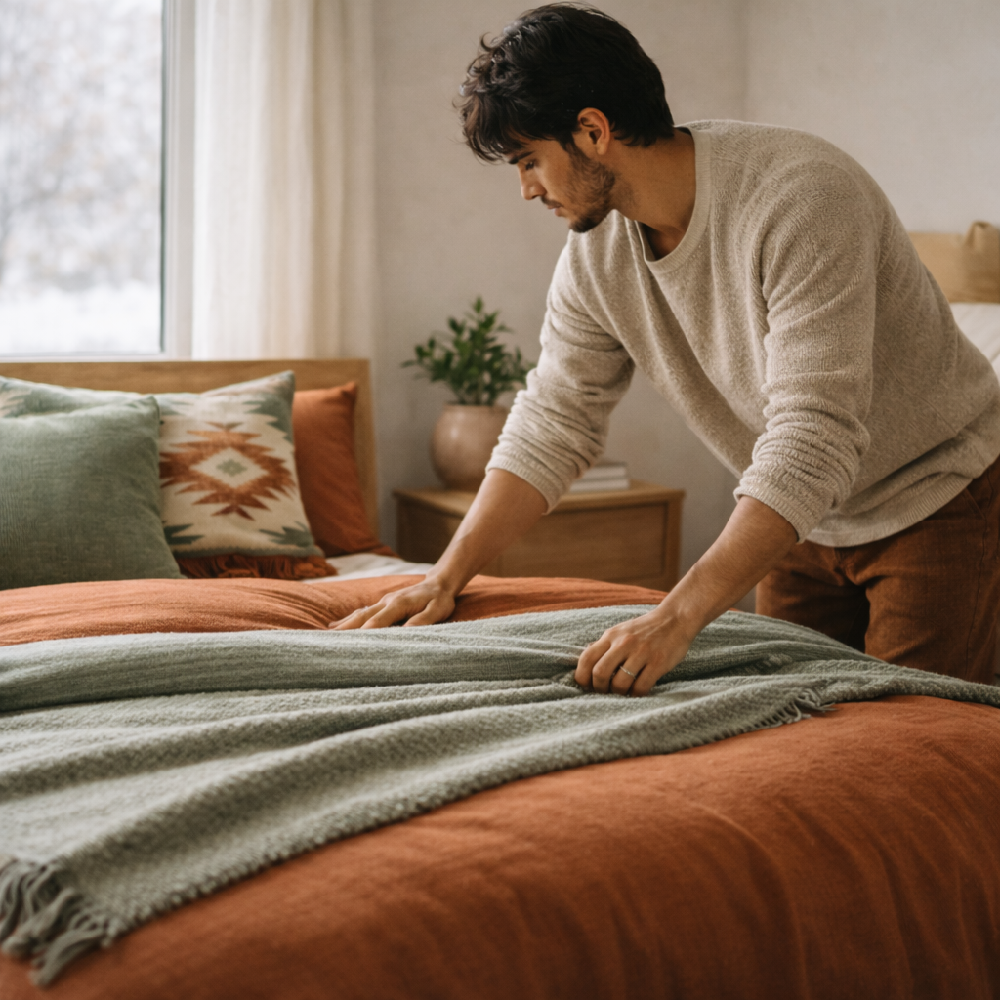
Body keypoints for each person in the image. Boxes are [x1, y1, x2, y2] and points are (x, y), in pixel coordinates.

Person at [334, 3, 1000, 691]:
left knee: (908, 749)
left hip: (937, 496)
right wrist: (444, 579)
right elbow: (553, 420)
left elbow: (813, 438)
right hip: (805, 520)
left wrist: (677, 617)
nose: (526, 189)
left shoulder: (801, 198)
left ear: (592, 131)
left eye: (529, 160)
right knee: (788, 730)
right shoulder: (595, 256)